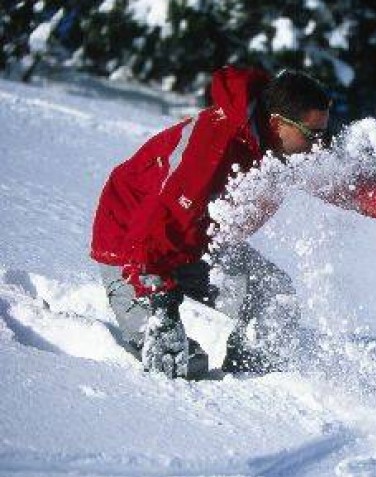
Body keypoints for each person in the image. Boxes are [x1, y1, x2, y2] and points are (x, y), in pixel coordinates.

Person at [91, 66, 339, 379]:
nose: (320, 144)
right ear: (278, 124)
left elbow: (353, 186)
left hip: (197, 244)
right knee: (179, 363)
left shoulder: (287, 149)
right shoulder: (213, 142)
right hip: (135, 253)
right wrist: (163, 311)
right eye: (313, 134)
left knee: (274, 295)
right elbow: (154, 227)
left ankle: (253, 385)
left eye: (325, 134)